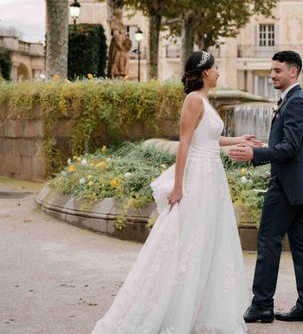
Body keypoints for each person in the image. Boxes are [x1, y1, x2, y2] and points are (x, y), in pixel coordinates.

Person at [92, 51, 256, 334]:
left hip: (212, 177)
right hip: (199, 178)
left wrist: (237, 140)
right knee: (189, 240)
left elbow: (209, 139)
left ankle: (197, 307)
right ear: (205, 72)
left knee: (207, 239)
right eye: (216, 68)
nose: (219, 73)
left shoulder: (205, 100)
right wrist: (179, 186)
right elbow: (184, 144)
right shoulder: (193, 100)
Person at [229, 50, 303, 324]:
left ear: (293, 72)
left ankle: (262, 306)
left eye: (277, 71)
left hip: (287, 189)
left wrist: (256, 155)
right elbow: (290, 149)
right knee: (302, 245)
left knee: (268, 242)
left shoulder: (296, 102)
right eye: (272, 70)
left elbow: (290, 147)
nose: (272, 75)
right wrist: (270, 163)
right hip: (294, 185)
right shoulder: (293, 100)